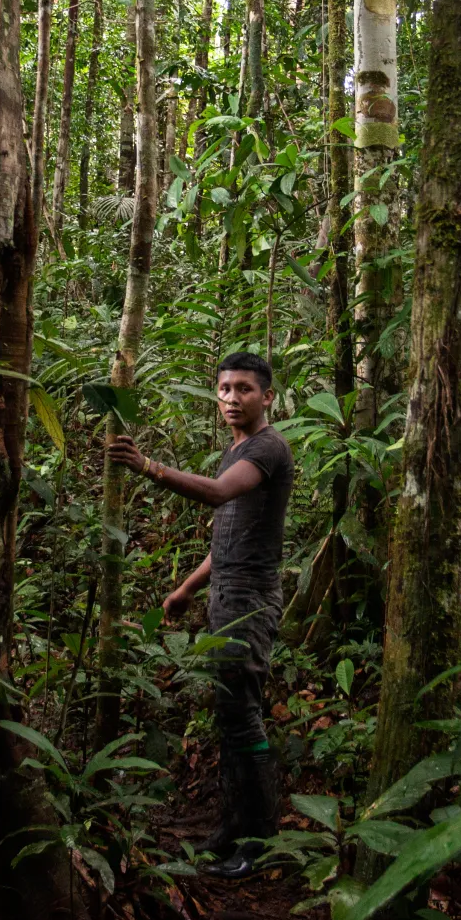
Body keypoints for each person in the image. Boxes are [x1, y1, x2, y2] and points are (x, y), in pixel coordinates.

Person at [106, 351, 293, 880]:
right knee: (229, 715)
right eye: (224, 389)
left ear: (267, 397)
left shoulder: (269, 448)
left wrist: (147, 466)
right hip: (225, 595)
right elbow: (228, 533)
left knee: (243, 717)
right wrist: (187, 588)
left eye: (244, 390)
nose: (231, 398)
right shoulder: (237, 450)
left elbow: (216, 497)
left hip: (250, 600)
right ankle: (234, 828)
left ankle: (259, 841)